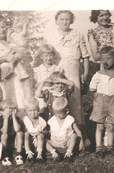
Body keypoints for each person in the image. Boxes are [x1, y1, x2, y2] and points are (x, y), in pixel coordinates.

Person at [44, 10, 90, 149]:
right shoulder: (50, 35)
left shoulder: (78, 35)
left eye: (67, 19)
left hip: (74, 74)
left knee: (75, 105)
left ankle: (80, 139)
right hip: (57, 75)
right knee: (57, 104)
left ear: (71, 20)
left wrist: (85, 74)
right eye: (62, 19)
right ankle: (57, 138)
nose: (65, 22)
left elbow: (85, 56)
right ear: (57, 20)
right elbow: (45, 53)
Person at [0, 17, 34, 116]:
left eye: (3, 27)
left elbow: (27, 56)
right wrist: (5, 58)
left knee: (20, 99)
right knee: (5, 102)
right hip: (2, 78)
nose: (1, 30)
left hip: (18, 78)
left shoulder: (13, 42)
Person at [89, 46, 114, 158]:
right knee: (100, 126)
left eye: (108, 58)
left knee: (111, 126)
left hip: (113, 101)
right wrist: (97, 100)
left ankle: (110, 147)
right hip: (101, 101)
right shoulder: (98, 74)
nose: (105, 61)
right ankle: (98, 148)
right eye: (102, 59)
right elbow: (92, 89)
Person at [46, 97, 82, 162]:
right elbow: (48, 132)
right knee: (44, 141)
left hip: (66, 141)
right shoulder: (51, 120)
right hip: (55, 142)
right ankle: (54, 153)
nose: (57, 115)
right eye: (55, 113)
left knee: (74, 136)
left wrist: (81, 142)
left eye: (59, 114)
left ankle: (68, 153)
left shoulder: (70, 119)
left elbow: (77, 131)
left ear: (67, 111)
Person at [33, 44, 64, 115]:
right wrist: (43, 82)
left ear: (53, 56)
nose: (48, 58)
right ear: (41, 56)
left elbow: (61, 84)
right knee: (42, 111)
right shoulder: (37, 70)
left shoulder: (58, 69)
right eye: (46, 56)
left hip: (55, 95)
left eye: (50, 55)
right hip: (41, 95)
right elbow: (35, 86)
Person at [0, 99, 24, 165]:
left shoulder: (17, 119)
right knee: (4, 135)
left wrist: (14, 117)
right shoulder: (0, 119)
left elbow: (17, 129)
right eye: (8, 109)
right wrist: (6, 118)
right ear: (1, 111)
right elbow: (4, 131)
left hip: (14, 141)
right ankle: (5, 156)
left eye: (13, 109)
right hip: (4, 142)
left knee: (20, 133)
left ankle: (18, 155)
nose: (10, 111)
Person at [7, 16, 32, 81]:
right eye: (15, 28)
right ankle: (21, 73)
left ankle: (12, 70)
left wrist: (25, 25)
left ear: (21, 28)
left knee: (13, 59)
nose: (15, 30)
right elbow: (8, 40)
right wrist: (8, 34)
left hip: (20, 50)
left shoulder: (21, 34)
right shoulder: (14, 34)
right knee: (16, 62)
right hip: (14, 51)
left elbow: (24, 31)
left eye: (18, 28)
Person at [23, 97, 47, 163]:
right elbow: (24, 131)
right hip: (28, 141)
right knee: (26, 134)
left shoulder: (41, 120)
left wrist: (41, 132)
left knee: (41, 135)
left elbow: (46, 131)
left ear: (38, 109)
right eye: (30, 110)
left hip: (38, 141)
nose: (33, 112)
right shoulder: (25, 120)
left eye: (35, 110)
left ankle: (39, 154)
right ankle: (29, 154)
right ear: (26, 111)